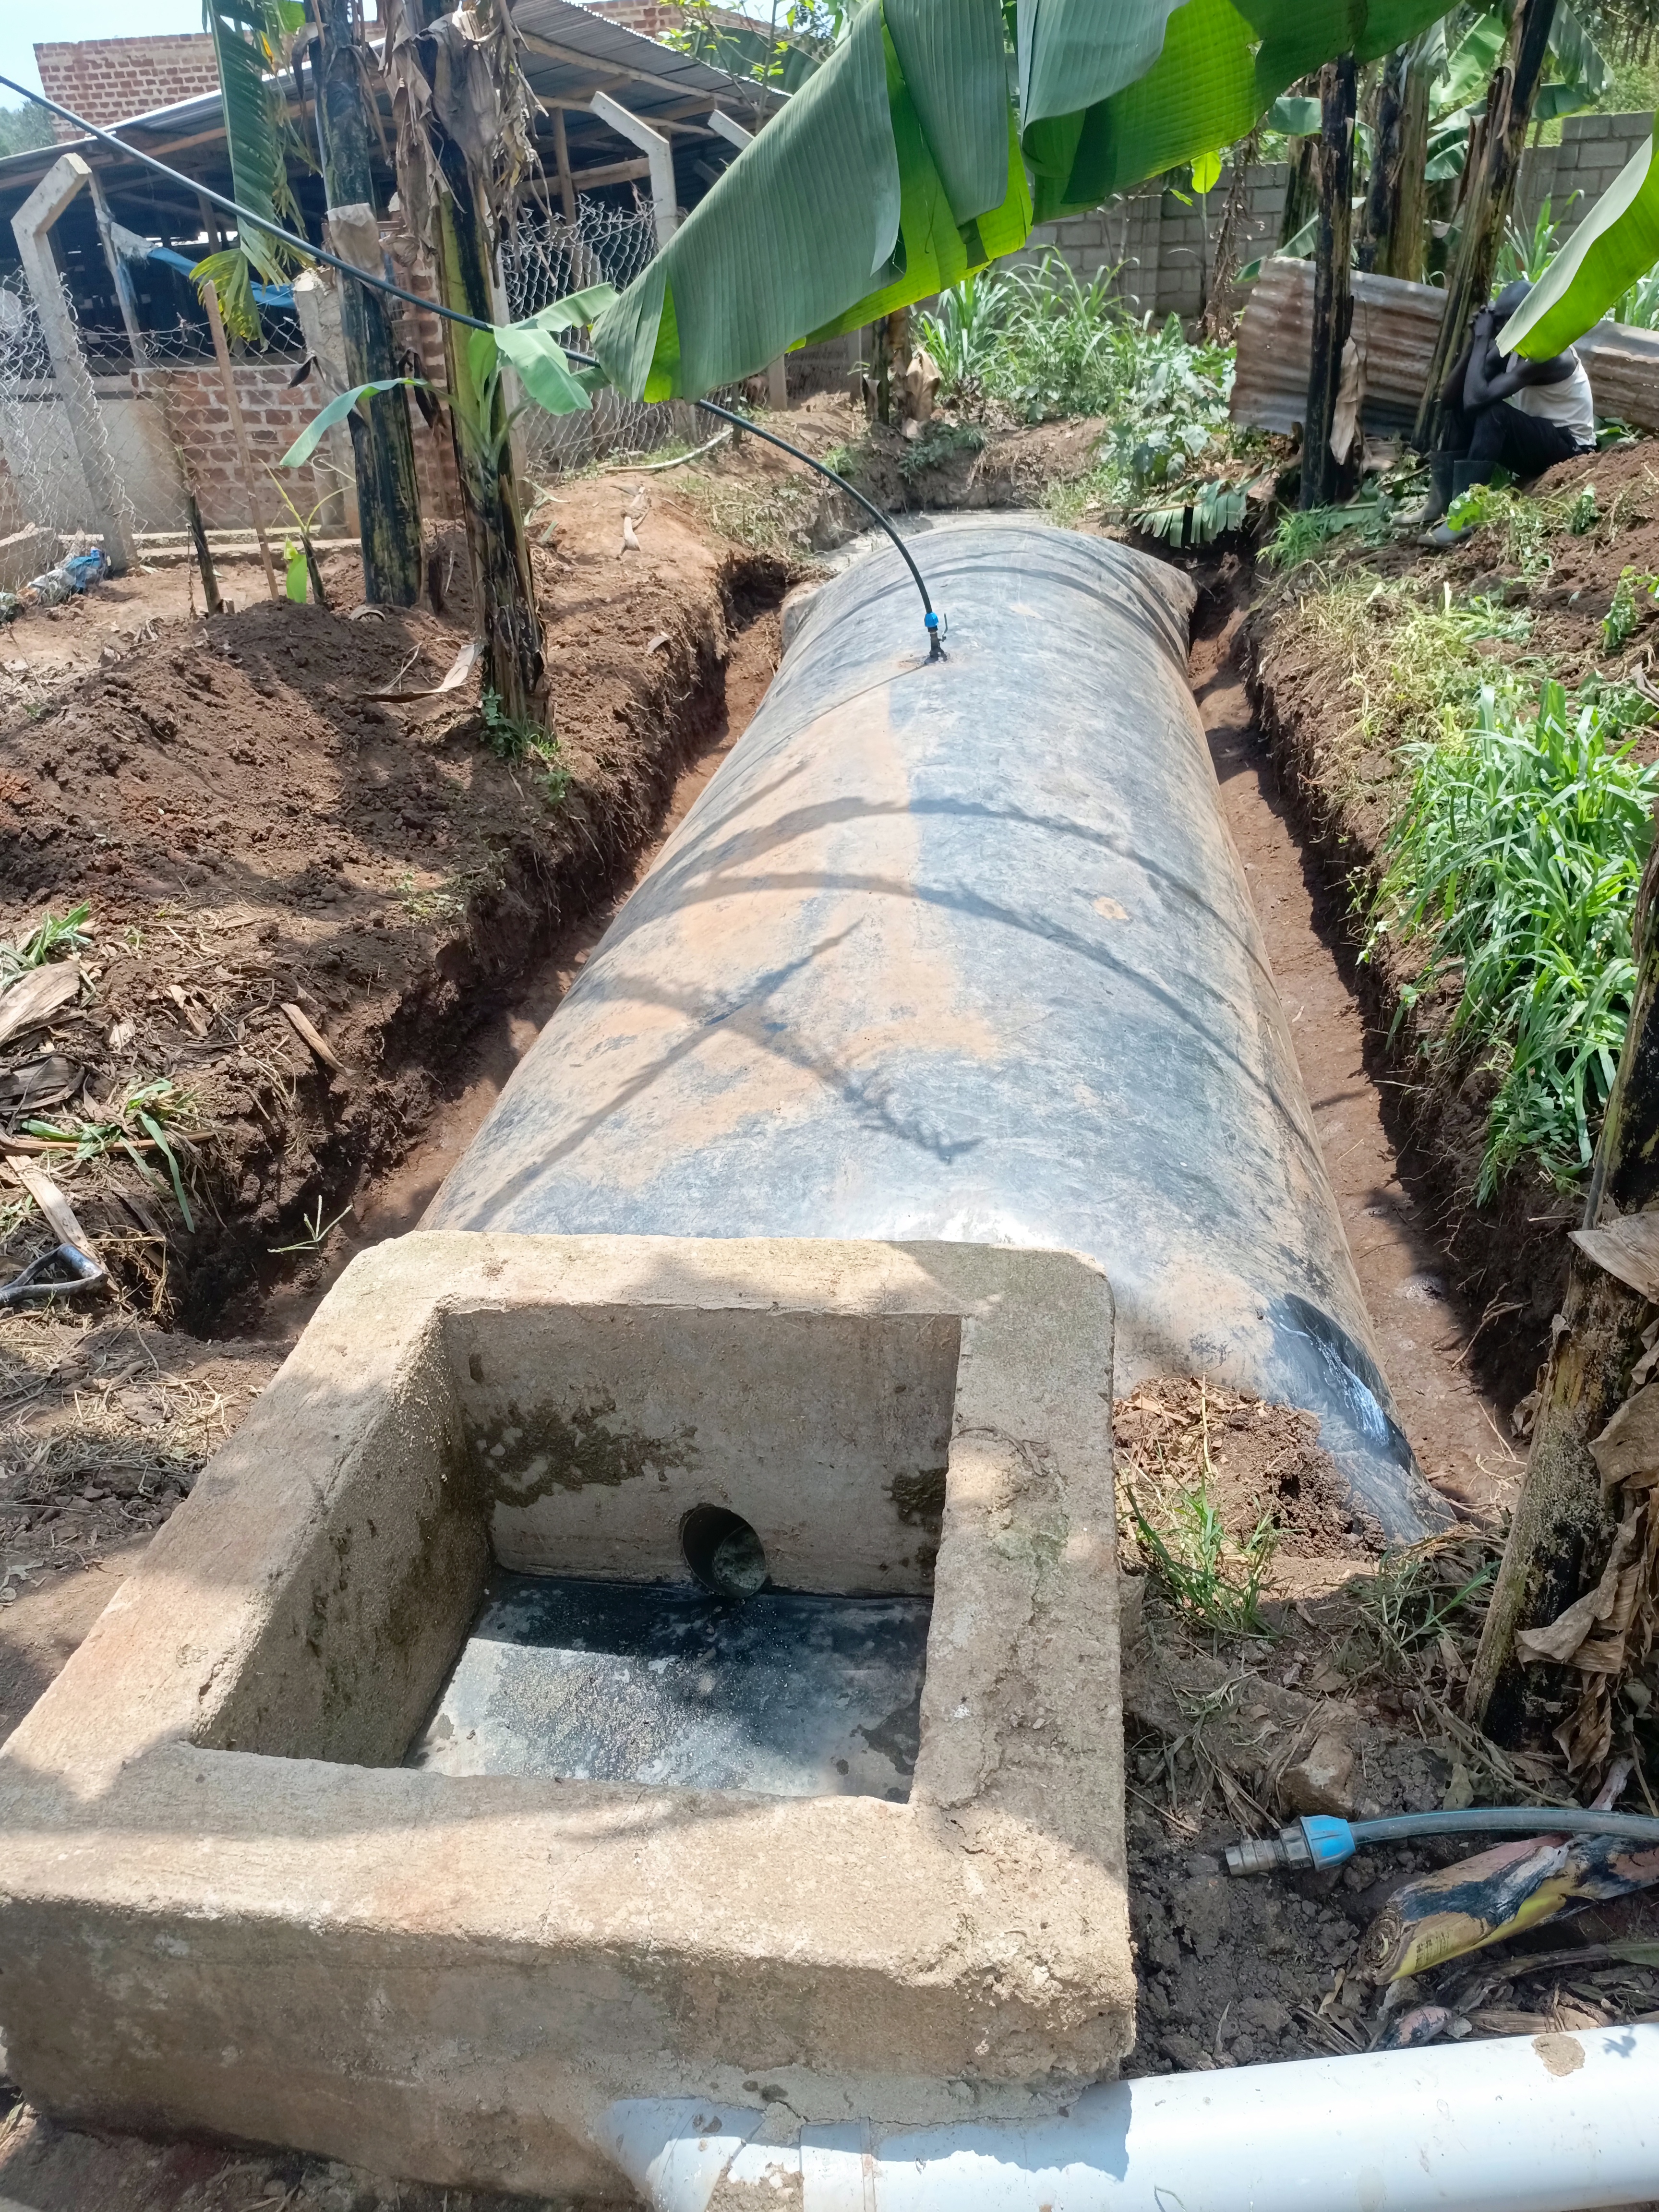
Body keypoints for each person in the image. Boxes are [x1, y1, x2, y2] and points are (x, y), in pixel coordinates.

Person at [1413, 278, 1596, 542]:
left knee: (1493, 414)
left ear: (1526, 320)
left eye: (1503, 322)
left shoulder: (1547, 353)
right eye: (1496, 321)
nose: (1497, 328)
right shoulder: (1513, 342)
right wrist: (1473, 344)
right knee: (1461, 414)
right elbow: (1452, 399)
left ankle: (1463, 518)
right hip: (1540, 442)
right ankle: (1439, 503)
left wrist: (1482, 340)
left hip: (1572, 451)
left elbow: (1476, 399)